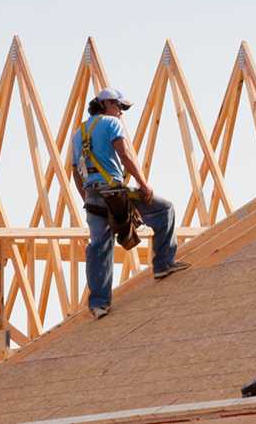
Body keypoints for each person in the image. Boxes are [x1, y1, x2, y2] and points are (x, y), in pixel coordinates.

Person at [72, 88, 189, 319]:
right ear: (106, 105)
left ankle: (99, 304)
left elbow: (75, 170)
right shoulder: (111, 124)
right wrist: (144, 184)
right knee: (164, 209)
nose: (121, 113)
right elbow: (125, 155)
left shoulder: (79, 132)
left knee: (98, 245)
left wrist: (85, 197)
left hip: (93, 196)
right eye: (120, 107)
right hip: (116, 192)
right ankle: (163, 264)